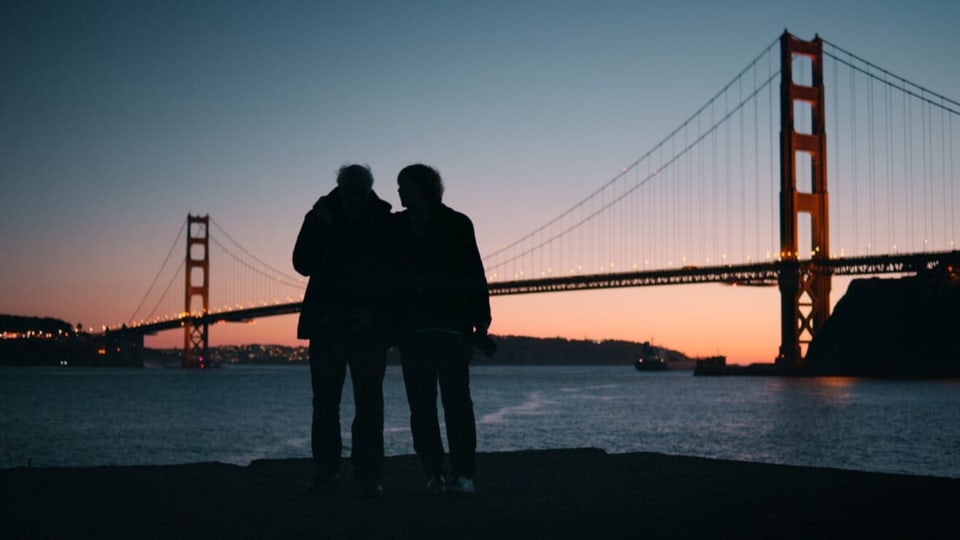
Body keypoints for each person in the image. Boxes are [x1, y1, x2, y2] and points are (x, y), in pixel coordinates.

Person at [292, 164, 393, 497]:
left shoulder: (382, 218)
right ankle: (336, 474)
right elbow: (302, 263)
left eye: (357, 192)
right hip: (331, 325)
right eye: (349, 191)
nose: (352, 198)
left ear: (366, 191)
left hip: (361, 325)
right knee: (332, 404)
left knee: (361, 404)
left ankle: (358, 476)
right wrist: (320, 227)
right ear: (342, 189)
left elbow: (393, 273)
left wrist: (375, 311)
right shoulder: (320, 215)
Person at [393, 163, 491, 495]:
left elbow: (474, 272)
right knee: (421, 406)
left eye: (404, 186)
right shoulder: (396, 225)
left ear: (424, 188)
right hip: (414, 330)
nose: (399, 193)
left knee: (456, 404)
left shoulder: (458, 224)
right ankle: (434, 471)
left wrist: (481, 318)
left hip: (450, 329)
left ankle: (463, 473)